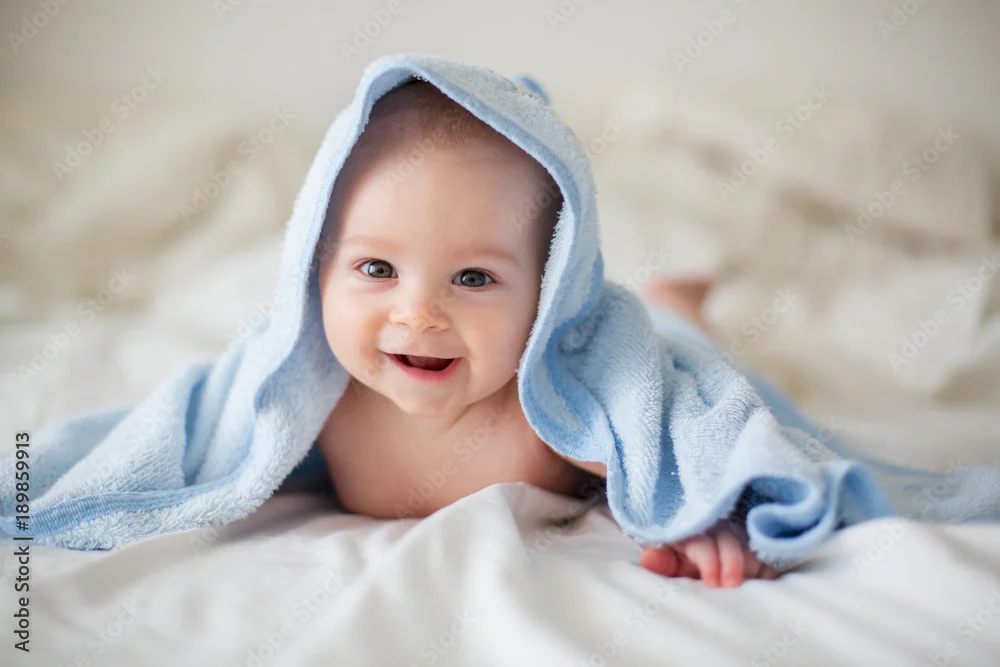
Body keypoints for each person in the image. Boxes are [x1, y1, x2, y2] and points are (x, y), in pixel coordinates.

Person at [314, 80, 778, 589]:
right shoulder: (318, 398)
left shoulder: (554, 408)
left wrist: (709, 516)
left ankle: (674, 303)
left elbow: (678, 441)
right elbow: (224, 434)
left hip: (662, 338)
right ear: (318, 269)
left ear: (546, 296)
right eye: (378, 268)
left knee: (682, 337)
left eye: (473, 278)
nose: (418, 315)